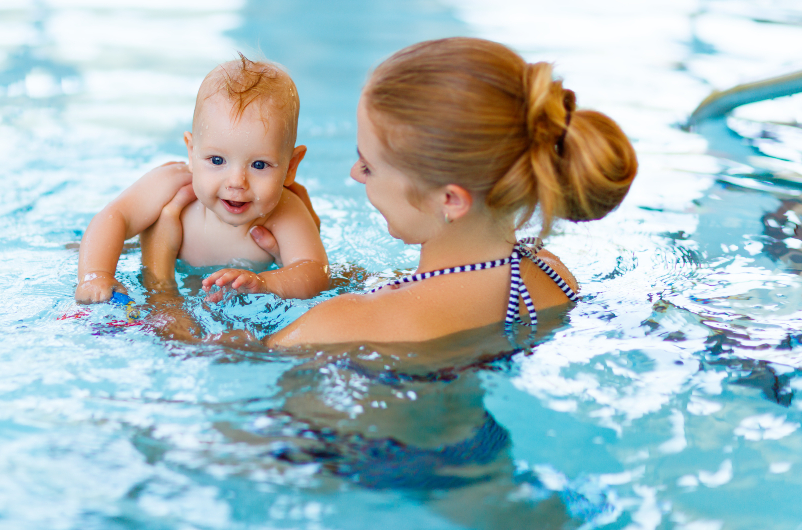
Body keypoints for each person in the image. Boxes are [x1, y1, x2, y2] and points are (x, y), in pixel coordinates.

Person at [142, 37, 638, 347]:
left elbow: (205, 355)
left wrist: (160, 288)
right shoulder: (551, 275)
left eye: (370, 165)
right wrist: (327, 271)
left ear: (450, 201)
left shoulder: (341, 326)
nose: (356, 176)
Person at [74, 54, 330, 305]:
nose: (237, 181)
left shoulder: (286, 212)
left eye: (259, 165)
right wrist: (96, 274)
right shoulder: (172, 184)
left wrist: (266, 284)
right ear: (192, 152)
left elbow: (315, 271)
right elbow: (114, 216)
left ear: (290, 167)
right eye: (217, 160)